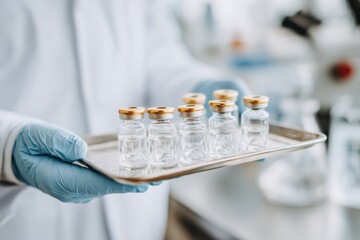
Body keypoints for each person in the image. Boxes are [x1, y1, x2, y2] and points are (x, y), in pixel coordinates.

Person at [0, 1, 249, 239]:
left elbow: (158, 54)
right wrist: (7, 146)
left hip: (138, 218)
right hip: (27, 215)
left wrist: (197, 86)